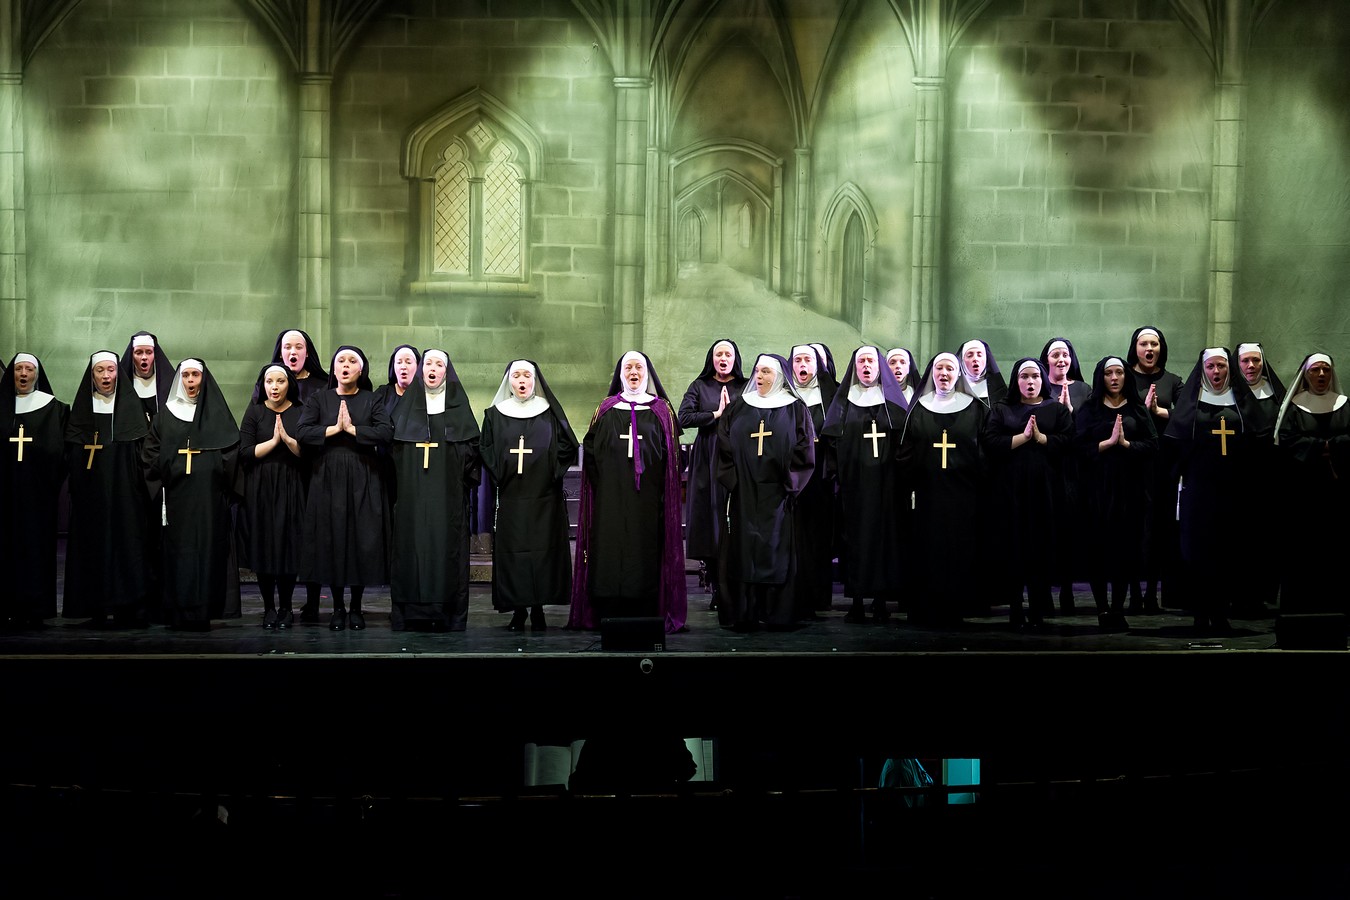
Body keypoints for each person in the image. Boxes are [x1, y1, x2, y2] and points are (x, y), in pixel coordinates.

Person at [569, 350, 687, 633]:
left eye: (639, 368)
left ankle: (646, 609)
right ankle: (608, 609)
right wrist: (606, 485)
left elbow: (672, 458)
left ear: (647, 373)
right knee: (609, 552)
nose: (634, 372)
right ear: (621, 374)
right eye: (628, 368)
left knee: (645, 552)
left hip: (648, 500)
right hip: (610, 499)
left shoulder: (662, 411)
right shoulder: (606, 409)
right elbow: (592, 453)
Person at [296, 346, 394, 631]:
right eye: (341, 361)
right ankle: (338, 607)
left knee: (360, 540)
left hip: (363, 475)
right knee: (333, 540)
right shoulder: (320, 398)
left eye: (352, 361)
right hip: (327, 476)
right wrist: (334, 429)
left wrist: (352, 430)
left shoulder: (371, 399)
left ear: (361, 370)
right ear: (334, 368)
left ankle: (356, 607)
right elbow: (302, 431)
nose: (346, 365)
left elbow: (386, 432)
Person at [715, 353, 815, 630]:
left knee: (775, 552)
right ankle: (745, 612)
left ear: (779, 377)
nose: (759, 376)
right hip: (744, 493)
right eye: (757, 371)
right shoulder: (740, 406)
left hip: (778, 495)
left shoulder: (795, 409)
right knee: (743, 552)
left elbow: (804, 449)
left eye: (766, 372)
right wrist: (734, 480)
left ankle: (775, 612)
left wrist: (788, 482)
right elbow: (724, 443)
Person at [143, 359, 241, 631]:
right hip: (175, 499)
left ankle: (204, 611)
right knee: (177, 554)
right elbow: (151, 454)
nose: (190, 381)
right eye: (185, 375)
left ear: (204, 379)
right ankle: (176, 611)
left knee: (207, 552)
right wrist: (170, 472)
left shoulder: (216, 414)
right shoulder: (166, 416)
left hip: (208, 501)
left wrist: (212, 474)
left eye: (195, 375)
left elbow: (230, 453)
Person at [480, 358, 577, 631]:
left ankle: (538, 609)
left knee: (542, 552)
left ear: (534, 380)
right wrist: (501, 471)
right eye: (516, 376)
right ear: (509, 381)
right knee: (514, 553)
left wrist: (551, 470)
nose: (521, 380)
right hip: (511, 496)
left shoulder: (549, 412)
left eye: (526, 375)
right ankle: (519, 610)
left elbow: (568, 444)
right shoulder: (496, 414)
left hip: (544, 497)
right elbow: (486, 448)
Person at [389, 349, 481, 631]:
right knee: (410, 548)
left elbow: (472, 452)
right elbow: (393, 454)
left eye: (439, 364)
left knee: (447, 548)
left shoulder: (458, 411)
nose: (432, 368)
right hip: (412, 499)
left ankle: (449, 613)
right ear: (421, 370)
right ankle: (408, 613)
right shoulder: (405, 411)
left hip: (447, 498)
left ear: (446, 372)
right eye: (428, 363)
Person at [1166, 348, 1256, 635]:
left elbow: (1253, 444)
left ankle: (1221, 612)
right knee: (1198, 552)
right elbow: (1176, 446)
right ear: (1202, 370)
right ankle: (1200, 613)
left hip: (1232, 490)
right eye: (1210, 367)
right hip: (1199, 489)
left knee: (1227, 551)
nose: (1216, 372)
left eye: (1221, 366)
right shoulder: (1191, 404)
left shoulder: (1242, 404)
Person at [980, 358, 1075, 631]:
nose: (1030, 382)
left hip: (1046, 490)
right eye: (1024, 376)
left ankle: (1038, 607)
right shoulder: (1002, 409)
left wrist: (1043, 439)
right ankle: (1014, 607)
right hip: (1010, 491)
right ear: (1016, 381)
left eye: (1035, 376)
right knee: (1014, 547)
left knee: (1040, 547)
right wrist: (1023, 438)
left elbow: (1069, 442)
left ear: (1042, 380)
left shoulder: (1056, 410)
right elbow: (990, 441)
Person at [63, 351, 154, 627]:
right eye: (99, 371)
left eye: (110, 370)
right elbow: (71, 454)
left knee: (127, 546)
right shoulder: (82, 410)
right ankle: (95, 606)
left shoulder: (131, 408)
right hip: (91, 497)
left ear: (118, 374)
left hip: (126, 496)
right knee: (92, 547)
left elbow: (142, 454)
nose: (106, 376)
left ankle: (128, 605)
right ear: (91, 375)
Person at [820, 346, 909, 624]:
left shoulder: (892, 403)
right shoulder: (844, 402)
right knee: (854, 542)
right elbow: (832, 443)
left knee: (883, 542)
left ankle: (880, 601)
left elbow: (904, 443)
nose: (867, 365)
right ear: (855, 367)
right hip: (854, 487)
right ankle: (856, 601)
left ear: (879, 367)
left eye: (871, 360)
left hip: (886, 488)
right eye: (862, 361)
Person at [899, 352, 987, 625]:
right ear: (932, 374)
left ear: (958, 374)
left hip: (965, 495)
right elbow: (907, 452)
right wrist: (910, 486)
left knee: (961, 549)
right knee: (929, 550)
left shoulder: (976, 409)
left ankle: (961, 605)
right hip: (928, 495)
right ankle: (927, 606)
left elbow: (985, 451)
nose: (944, 373)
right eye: (939, 369)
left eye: (950, 368)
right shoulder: (919, 408)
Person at [1074, 357, 1157, 631]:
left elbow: (1152, 445)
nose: (1114, 378)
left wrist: (1126, 444)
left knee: (1125, 550)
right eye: (1108, 373)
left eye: (1119, 372)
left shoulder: (1136, 409)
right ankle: (1102, 609)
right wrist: (1106, 444)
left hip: (1129, 489)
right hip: (1096, 490)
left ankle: (1118, 609)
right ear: (1101, 377)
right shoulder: (1089, 409)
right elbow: (1077, 448)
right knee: (1098, 551)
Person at [1274, 353, 1350, 616]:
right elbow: (1287, 440)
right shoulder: (1296, 406)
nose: (1321, 375)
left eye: (1326, 370)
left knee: (1336, 549)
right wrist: (1324, 447)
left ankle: (1337, 608)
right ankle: (1301, 607)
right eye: (1315, 370)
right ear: (1305, 375)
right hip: (1303, 493)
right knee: (1303, 550)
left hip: (1337, 491)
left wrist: (1329, 446)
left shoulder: (1344, 405)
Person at [263, 328, 328, 622]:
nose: (292, 351)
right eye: (287, 346)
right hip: (283, 472)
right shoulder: (271, 381)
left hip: (314, 469)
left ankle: (313, 602)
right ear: (280, 352)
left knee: (313, 535)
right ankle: (281, 605)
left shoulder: (322, 386)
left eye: (298, 347)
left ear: (307, 352)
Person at [678, 339, 748, 612]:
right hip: (707, 457)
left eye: (728, 354)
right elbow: (684, 417)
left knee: (734, 518)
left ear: (735, 359)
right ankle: (716, 586)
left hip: (737, 457)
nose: (723, 358)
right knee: (710, 520)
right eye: (719, 354)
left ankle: (736, 584)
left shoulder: (745, 387)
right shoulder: (699, 386)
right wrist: (715, 414)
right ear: (712, 359)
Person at [0, 354, 69, 628]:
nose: (23, 374)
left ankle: (36, 608)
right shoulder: (2, 406)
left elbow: (60, 453)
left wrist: (46, 483)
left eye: (29, 369)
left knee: (36, 550)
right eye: (19, 369)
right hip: (5, 494)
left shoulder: (54, 409)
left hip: (38, 495)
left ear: (37, 375)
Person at [238, 364, 306, 628]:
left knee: (288, 547)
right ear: (262, 384)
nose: (274, 387)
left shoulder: (299, 411)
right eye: (269, 381)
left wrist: (287, 440)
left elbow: (307, 453)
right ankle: (268, 608)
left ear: (289, 384)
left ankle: (286, 607)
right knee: (264, 546)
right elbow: (245, 452)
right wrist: (273, 442)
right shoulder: (255, 411)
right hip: (261, 487)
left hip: (291, 485)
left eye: (280, 381)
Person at [1126, 325, 1184, 613]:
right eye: (1144, 344)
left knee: (1159, 529)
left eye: (1155, 344)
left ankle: (1152, 593)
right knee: (1133, 527)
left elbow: (1186, 414)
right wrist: (1140, 411)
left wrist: (1161, 412)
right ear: (1135, 348)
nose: (1149, 349)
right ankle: (1134, 592)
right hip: (1132, 462)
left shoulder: (1173, 381)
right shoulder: (1123, 376)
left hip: (1162, 465)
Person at [1232, 342, 1287, 613]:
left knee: (1266, 538)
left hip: (1269, 478)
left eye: (1256, 360)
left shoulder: (1276, 394)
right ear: (1237, 363)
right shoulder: (1228, 392)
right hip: (1237, 478)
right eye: (1245, 361)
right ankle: (1238, 595)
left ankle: (1262, 595)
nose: (1251, 366)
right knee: (1239, 539)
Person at [1040, 336, 1091, 614]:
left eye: (1066, 354)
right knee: (1045, 530)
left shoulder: (1083, 389)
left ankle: (1068, 589)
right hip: (1047, 467)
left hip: (1074, 469)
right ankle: (1045, 592)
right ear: (1046, 359)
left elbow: (1090, 426)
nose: (1061, 359)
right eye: (1055, 354)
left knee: (1070, 531)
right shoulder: (1039, 386)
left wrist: (1070, 414)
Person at [788, 344, 839, 617]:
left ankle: (819, 596)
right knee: (794, 537)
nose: (802, 365)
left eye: (808, 359)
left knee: (818, 537)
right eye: (797, 360)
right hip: (793, 476)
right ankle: (795, 594)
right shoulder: (786, 394)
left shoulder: (831, 395)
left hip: (821, 476)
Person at [120, 331, 174, 422]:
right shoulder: (123, 385)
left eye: (149, 352)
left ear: (155, 355)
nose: (144, 357)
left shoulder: (169, 383)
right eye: (138, 353)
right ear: (132, 356)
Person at [958, 339, 1007, 408]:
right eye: (969, 355)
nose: (975, 359)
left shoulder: (999, 391)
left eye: (979, 355)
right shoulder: (956, 390)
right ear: (962, 361)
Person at [376, 344, 421, 419]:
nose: (403, 367)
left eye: (408, 362)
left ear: (417, 367)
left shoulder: (425, 395)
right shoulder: (382, 394)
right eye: (399, 362)